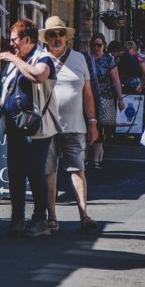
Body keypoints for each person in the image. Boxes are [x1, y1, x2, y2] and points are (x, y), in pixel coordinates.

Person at [0, 18, 57, 237]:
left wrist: (13, 58)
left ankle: (40, 220)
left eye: (14, 40)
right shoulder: (16, 61)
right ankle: (17, 218)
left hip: (37, 126)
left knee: (35, 171)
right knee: (16, 172)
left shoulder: (44, 58)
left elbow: (37, 76)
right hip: (15, 124)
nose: (11, 44)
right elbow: (9, 91)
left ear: (27, 40)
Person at [39, 17, 98, 233]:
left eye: (61, 34)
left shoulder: (79, 59)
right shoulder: (40, 59)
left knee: (78, 169)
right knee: (49, 172)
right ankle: (52, 218)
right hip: (48, 126)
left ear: (66, 37)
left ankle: (84, 215)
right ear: (46, 38)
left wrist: (92, 122)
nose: (57, 38)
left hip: (75, 125)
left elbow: (88, 94)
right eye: (52, 34)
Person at [88, 34, 124, 170]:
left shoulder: (109, 59)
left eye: (99, 45)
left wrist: (120, 99)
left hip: (104, 98)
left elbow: (116, 80)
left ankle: (96, 159)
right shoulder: (86, 58)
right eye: (94, 45)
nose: (96, 48)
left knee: (100, 128)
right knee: (86, 127)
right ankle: (84, 158)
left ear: (104, 46)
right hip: (88, 98)